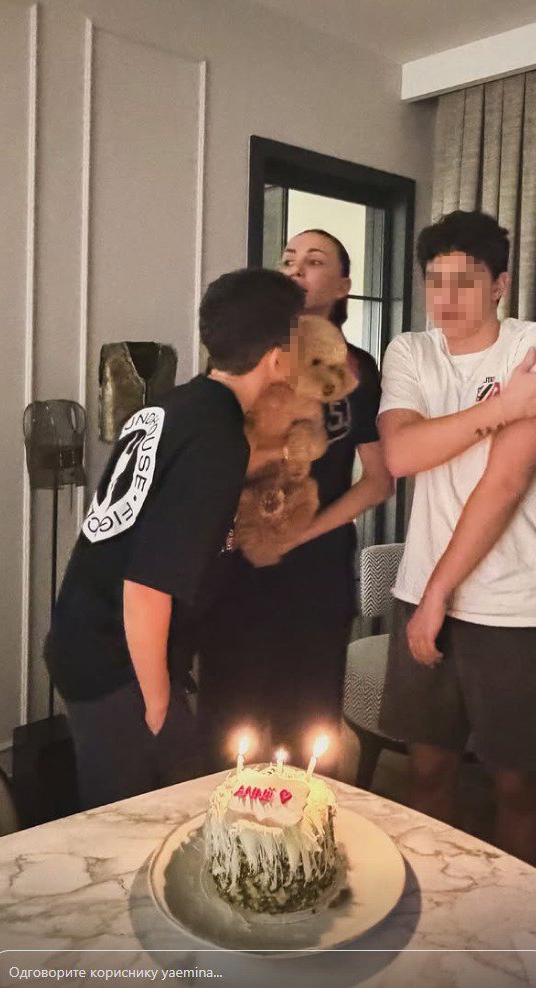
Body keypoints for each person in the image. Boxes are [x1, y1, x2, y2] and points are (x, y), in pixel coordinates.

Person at [44, 268, 304, 809]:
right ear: (277, 357)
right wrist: (158, 704)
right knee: (137, 818)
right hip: (117, 662)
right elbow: (145, 587)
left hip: (83, 636)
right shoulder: (217, 439)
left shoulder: (177, 406)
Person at [378, 209, 536, 862]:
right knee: (427, 768)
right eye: (434, 281)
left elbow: (505, 482)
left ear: (500, 284)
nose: (446, 297)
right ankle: (437, 898)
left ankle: (513, 912)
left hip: (514, 603)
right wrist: (502, 407)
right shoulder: (410, 351)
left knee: (518, 785)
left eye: (465, 281)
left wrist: (438, 593)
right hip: (422, 593)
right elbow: (401, 454)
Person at [196, 229, 393, 772]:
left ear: (344, 285)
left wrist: (302, 534)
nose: (296, 270)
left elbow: (379, 481)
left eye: (314, 260)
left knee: (308, 733)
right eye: (288, 260)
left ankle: (303, 827)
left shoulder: (359, 370)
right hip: (237, 569)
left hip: (317, 574)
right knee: (228, 731)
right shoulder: (251, 358)